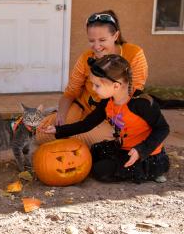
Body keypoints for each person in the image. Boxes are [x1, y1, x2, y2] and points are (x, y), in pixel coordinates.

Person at [41, 54, 170, 183]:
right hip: (123, 147)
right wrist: (58, 130)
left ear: (116, 86)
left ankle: (151, 171)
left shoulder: (141, 103)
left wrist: (141, 150)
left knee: (101, 171)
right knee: (93, 153)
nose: (92, 88)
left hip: (144, 153)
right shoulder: (108, 101)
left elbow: (163, 128)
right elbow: (87, 124)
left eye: (97, 85)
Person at [36, 10, 148, 146]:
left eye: (102, 40)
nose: (96, 46)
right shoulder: (85, 58)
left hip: (111, 117)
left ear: (115, 35)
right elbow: (71, 92)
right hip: (82, 109)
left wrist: (71, 129)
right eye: (91, 40)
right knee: (41, 133)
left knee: (79, 139)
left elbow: (132, 94)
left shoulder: (134, 54)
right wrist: (61, 115)